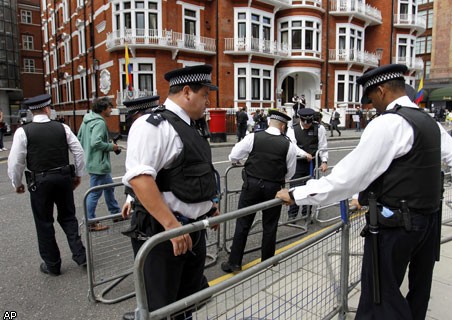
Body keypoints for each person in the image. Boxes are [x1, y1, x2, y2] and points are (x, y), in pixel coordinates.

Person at [276, 64, 452, 320]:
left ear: (381, 91)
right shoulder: (427, 120)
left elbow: (349, 176)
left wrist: (296, 195)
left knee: (380, 297)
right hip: (428, 220)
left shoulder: (389, 123)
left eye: (371, 99)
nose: (371, 106)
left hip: (397, 225)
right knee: (419, 290)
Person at [120, 65, 220, 320]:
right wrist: (171, 225)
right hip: (165, 234)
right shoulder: (152, 125)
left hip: (190, 231)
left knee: (187, 302)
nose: (208, 102)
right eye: (205, 95)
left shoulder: (190, 126)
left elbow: (191, 173)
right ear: (187, 92)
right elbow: (141, 179)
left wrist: (209, 205)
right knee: (162, 307)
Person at [7, 94, 87, 276]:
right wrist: (78, 174)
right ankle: (81, 255)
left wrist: (17, 182)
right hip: (63, 177)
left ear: (32, 111)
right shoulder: (62, 127)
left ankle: (53, 264)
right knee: (68, 217)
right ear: (46, 109)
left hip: (40, 181)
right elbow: (79, 152)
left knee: (44, 222)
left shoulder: (23, 131)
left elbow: (16, 161)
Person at [221, 110, 306, 273]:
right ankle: (267, 262)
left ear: (269, 123)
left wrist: (239, 161)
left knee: (243, 223)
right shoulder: (288, 144)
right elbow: (290, 172)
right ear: (282, 126)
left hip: (251, 185)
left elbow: (233, 156)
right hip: (274, 188)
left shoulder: (254, 137)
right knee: (270, 225)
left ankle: (234, 263)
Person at [77, 97, 121, 231]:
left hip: (91, 160)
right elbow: (96, 143)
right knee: (95, 193)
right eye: (109, 107)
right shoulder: (100, 123)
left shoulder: (87, 120)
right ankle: (90, 221)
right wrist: (111, 147)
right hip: (99, 163)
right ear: (103, 109)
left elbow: (79, 138)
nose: (111, 110)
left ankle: (116, 213)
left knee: (109, 187)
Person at [286, 108, 328, 221]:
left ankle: (306, 214)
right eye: (305, 123)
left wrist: (324, 161)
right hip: (297, 163)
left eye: (309, 123)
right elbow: (293, 146)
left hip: (312, 164)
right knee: (295, 187)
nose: (307, 125)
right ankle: (292, 215)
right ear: (300, 119)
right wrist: (304, 154)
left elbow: (323, 146)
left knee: (310, 188)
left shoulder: (319, 128)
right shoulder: (292, 129)